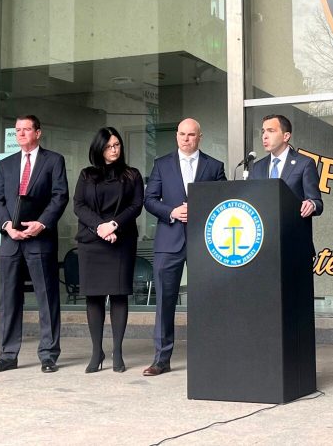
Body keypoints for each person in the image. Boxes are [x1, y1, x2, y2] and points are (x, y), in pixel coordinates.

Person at [142, 117, 225, 376]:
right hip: (169, 241)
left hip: (204, 241)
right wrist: (172, 212)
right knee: (164, 302)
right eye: (181, 134)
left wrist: (199, 209)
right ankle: (161, 359)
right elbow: (149, 200)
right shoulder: (161, 164)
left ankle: (209, 356)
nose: (185, 139)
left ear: (200, 137)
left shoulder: (214, 166)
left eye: (191, 134)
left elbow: (223, 200)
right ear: (176, 135)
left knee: (207, 299)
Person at [0, 114, 69, 374]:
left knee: (47, 297)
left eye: (26, 129)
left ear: (38, 132)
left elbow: (60, 196)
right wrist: (7, 226)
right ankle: (7, 355)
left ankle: (48, 355)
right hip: (11, 240)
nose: (20, 134)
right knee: (9, 299)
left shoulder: (53, 160)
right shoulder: (6, 164)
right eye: (17, 130)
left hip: (40, 239)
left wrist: (41, 224)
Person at [72, 127, 144, 373]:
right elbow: (79, 206)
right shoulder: (87, 174)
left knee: (118, 295)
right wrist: (100, 227)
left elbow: (136, 205)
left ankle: (118, 352)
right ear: (99, 149)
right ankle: (96, 352)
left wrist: (113, 225)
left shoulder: (132, 174)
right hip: (92, 242)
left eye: (117, 145)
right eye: (109, 146)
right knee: (93, 297)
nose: (114, 150)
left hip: (121, 241)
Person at [248, 114, 323, 256]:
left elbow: (317, 202)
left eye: (271, 131)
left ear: (286, 136)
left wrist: (311, 204)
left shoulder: (304, 163)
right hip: (263, 247)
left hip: (295, 245)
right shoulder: (257, 167)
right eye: (263, 131)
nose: (264, 136)